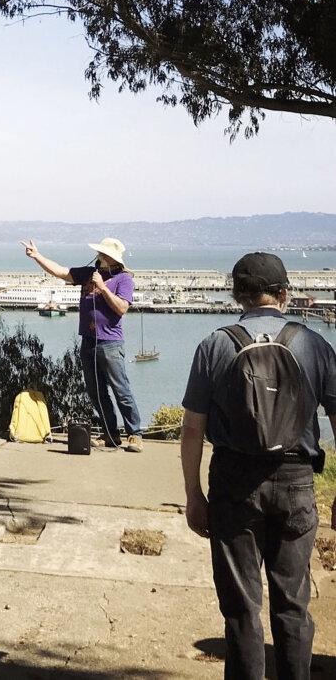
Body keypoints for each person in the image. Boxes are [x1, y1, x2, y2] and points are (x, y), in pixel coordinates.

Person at [181, 252, 336, 680]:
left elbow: (192, 429)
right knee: (293, 605)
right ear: (284, 295)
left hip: (233, 484)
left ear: (237, 295)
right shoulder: (314, 344)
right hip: (296, 483)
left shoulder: (215, 344)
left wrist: (194, 496)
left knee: (241, 609)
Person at [21, 237, 143, 451]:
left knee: (120, 389)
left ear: (112, 258)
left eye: (103, 254)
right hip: (88, 341)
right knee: (96, 391)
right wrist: (36, 256)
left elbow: (122, 308)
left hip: (111, 343)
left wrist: (103, 288)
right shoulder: (89, 273)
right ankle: (110, 434)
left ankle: (135, 434)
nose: (99, 256)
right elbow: (60, 271)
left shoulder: (123, 279)